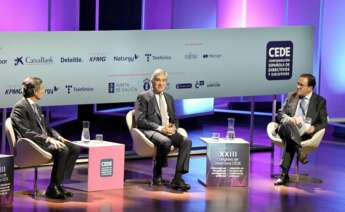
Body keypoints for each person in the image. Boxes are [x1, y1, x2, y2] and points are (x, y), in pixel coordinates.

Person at [11, 77, 80, 199]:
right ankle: (53, 188)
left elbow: (46, 127)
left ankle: (58, 185)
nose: (43, 91)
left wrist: (57, 136)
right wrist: (47, 139)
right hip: (33, 144)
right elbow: (26, 132)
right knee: (62, 150)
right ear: (34, 91)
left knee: (74, 148)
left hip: (43, 141)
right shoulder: (20, 107)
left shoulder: (36, 107)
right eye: (42, 89)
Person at [134, 68, 192, 191]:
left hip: (167, 131)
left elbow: (174, 118)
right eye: (158, 80)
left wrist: (173, 127)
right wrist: (160, 128)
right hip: (151, 130)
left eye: (164, 81)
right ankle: (157, 171)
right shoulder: (143, 97)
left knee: (187, 141)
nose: (161, 83)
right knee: (165, 142)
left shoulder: (169, 97)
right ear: (152, 82)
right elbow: (140, 121)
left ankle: (177, 178)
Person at [274, 73, 328, 185]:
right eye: (297, 84)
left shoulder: (319, 101)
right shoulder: (292, 96)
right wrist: (289, 119)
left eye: (301, 85)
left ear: (310, 87)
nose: (298, 86)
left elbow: (324, 122)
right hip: (285, 129)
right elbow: (279, 114)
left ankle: (284, 175)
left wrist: (313, 128)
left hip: (303, 133)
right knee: (288, 126)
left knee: (290, 139)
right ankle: (300, 151)